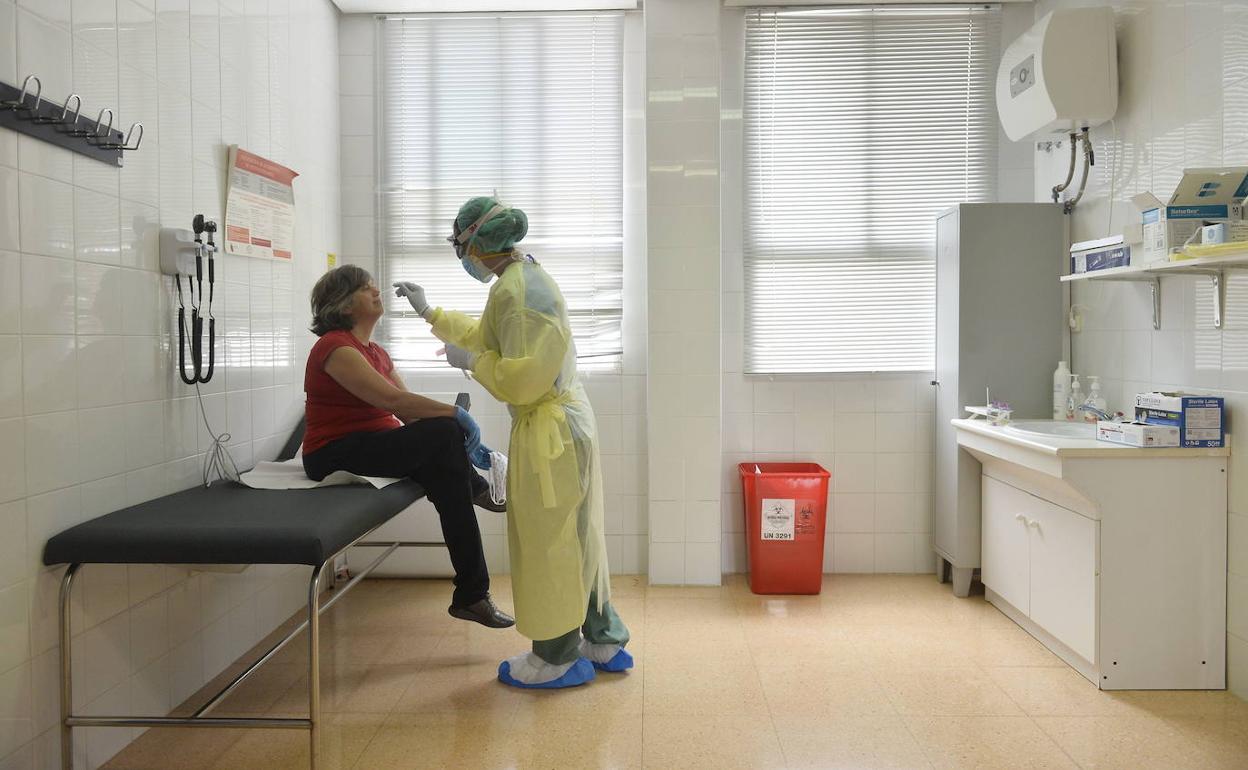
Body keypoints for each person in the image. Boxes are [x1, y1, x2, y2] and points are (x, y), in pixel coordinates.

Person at [395, 196, 631, 689]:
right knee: (579, 537)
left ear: (476, 241)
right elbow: (489, 334)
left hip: (549, 432)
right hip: (566, 423)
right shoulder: (520, 279)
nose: (460, 254)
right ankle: (602, 639)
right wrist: (431, 312)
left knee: (549, 544)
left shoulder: (519, 292)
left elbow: (519, 378)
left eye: (459, 243)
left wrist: (471, 362)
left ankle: (556, 657)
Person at [302, 265, 513, 629]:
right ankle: (477, 492)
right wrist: (455, 417)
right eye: (365, 288)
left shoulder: (377, 353)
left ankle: (472, 595)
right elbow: (392, 399)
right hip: (334, 452)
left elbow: (410, 417)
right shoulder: (334, 347)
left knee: (449, 473)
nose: (376, 291)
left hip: (374, 445)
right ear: (343, 304)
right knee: (447, 442)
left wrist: (458, 434)